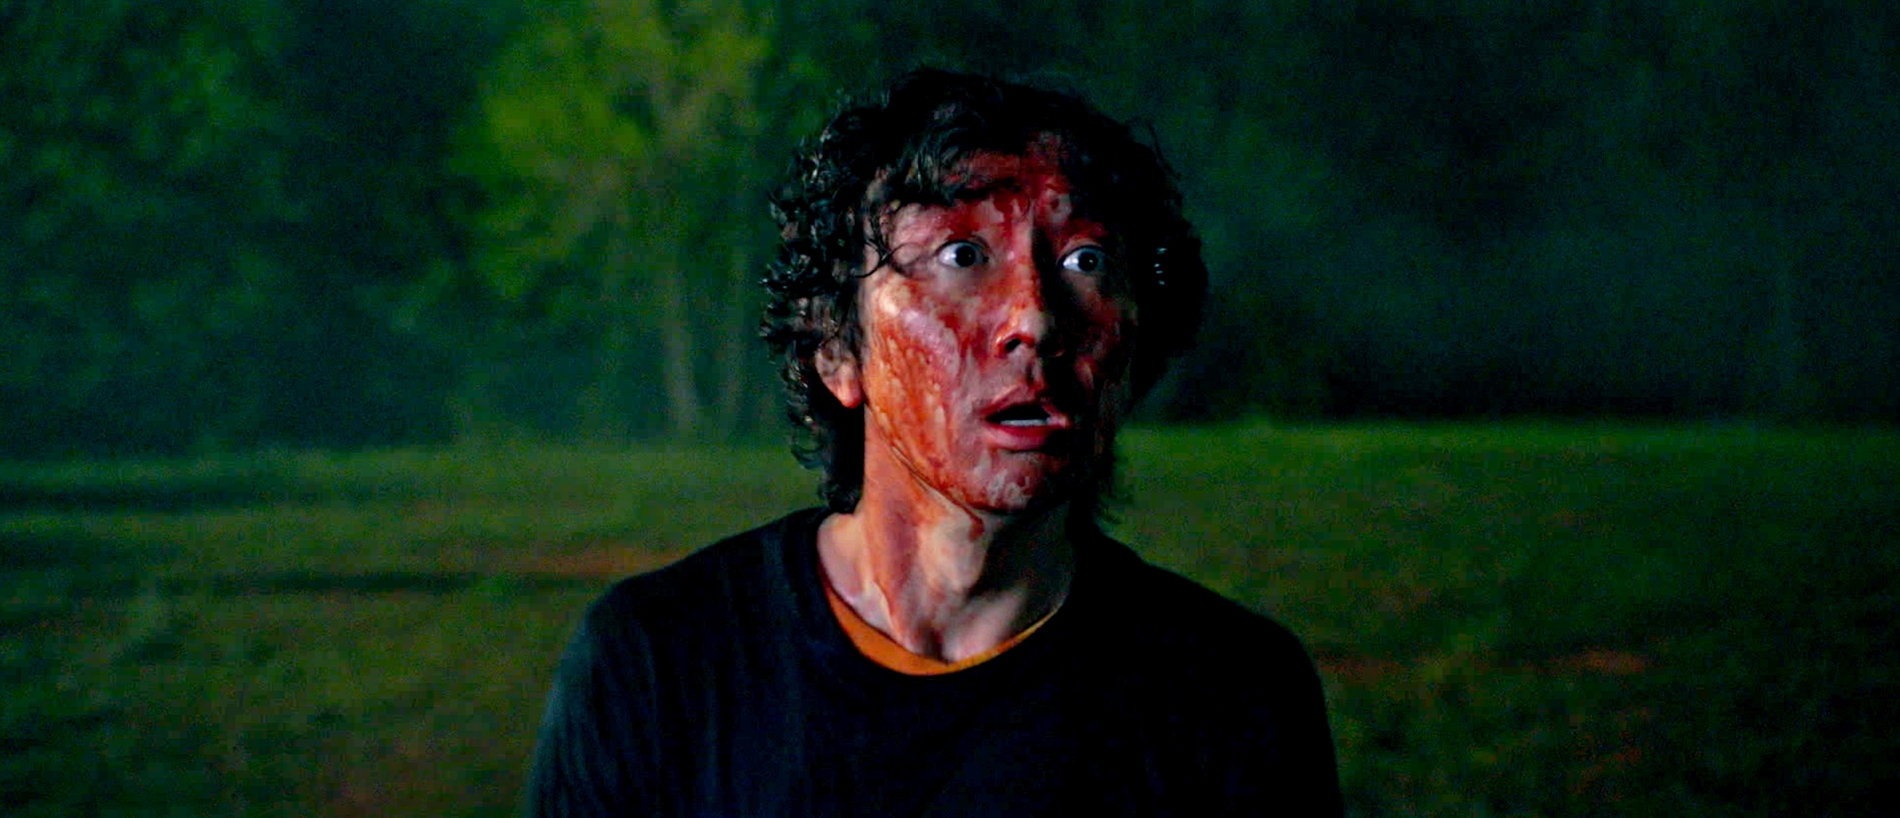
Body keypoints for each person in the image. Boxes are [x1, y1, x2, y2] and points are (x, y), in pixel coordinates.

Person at [526, 69, 1341, 817]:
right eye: (962, 255)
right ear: (838, 352)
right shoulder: (659, 665)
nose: (1035, 319)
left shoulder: (1232, 692)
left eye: (1085, 260)